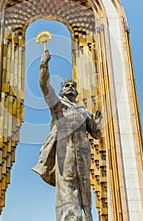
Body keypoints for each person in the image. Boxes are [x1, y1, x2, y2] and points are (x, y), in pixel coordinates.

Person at [32, 50, 102, 221]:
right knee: (67, 186)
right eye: (67, 86)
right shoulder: (58, 105)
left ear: (77, 92)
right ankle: (69, 218)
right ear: (62, 91)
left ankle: (86, 217)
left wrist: (98, 121)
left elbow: (96, 133)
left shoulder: (84, 110)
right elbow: (44, 86)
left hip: (84, 152)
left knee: (84, 187)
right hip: (65, 150)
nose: (70, 88)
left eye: (73, 86)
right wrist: (44, 65)